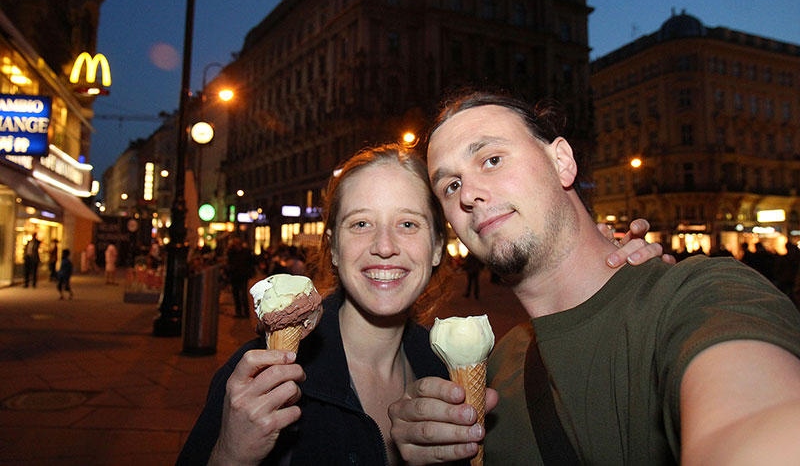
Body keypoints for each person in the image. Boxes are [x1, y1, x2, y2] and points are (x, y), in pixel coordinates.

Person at [177, 144, 664, 465]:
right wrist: (229, 455)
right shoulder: (257, 377)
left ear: (436, 248)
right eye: (361, 224)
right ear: (332, 246)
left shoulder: (454, 369)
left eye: (408, 224)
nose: (384, 246)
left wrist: (615, 276)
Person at [388, 91, 800, 465]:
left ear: (561, 161)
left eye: (492, 159)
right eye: (451, 184)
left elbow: (754, 419)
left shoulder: (700, 296)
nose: (469, 194)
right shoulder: (495, 367)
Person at [225, 237, 256, 318]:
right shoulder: (231, 252)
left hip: (243, 275)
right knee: (236, 294)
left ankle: (245, 313)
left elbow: (252, 262)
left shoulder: (246, 252)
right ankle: (239, 312)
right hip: (235, 275)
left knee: (243, 294)